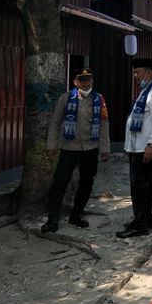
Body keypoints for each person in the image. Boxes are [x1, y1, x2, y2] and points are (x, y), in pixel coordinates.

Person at [42, 68, 110, 233]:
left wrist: (105, 148)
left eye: (89, 79)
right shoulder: (65, 99)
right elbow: (56, 123)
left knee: (87, 183)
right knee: (60, 182)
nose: (86, 82)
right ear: (75, 82)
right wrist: (51, 146)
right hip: (68, 148)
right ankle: (52, 219)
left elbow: (104, 125)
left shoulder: (99, 99)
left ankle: (76, 214)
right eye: (82, 80)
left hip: (90, 148)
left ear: (92, 80)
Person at [116, 58, 152, 238]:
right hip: (136, 147)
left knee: (141, 185)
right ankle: (144, 218)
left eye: (138, 73)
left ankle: (141, 224)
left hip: (145, 147)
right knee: (140, 184)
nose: (136, 77)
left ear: (148, 72)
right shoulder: (146, 91)